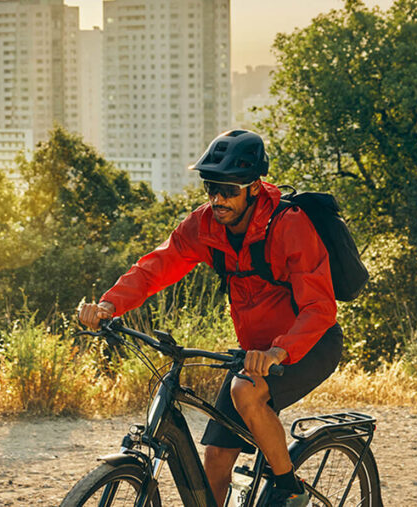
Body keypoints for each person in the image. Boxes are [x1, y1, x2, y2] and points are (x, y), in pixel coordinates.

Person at [78, 130, 343, 507]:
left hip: (310, 343)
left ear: (254, 188)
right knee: (216, 459)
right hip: (253, 353)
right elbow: (155, 267)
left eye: (228, 190)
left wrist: (278, 353)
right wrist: (108, 306)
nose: (217, 199)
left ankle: (289, 489)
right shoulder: (205, 225)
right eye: (210, 188)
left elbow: (319, 307)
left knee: (244, 392)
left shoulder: (289, 225)